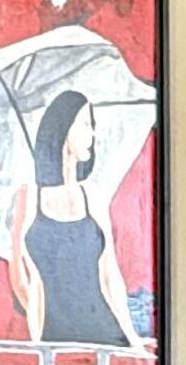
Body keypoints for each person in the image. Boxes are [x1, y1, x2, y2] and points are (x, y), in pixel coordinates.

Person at [8, 92, 144, 347]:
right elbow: (21, 276)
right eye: (85, 124)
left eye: (92, 126)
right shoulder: (28, 198)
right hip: (52, 336)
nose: (91, 134)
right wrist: (41, 327)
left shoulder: (92, 195)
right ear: (63, 127)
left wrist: (131, 336)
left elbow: (109, 274)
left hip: (105, 332)